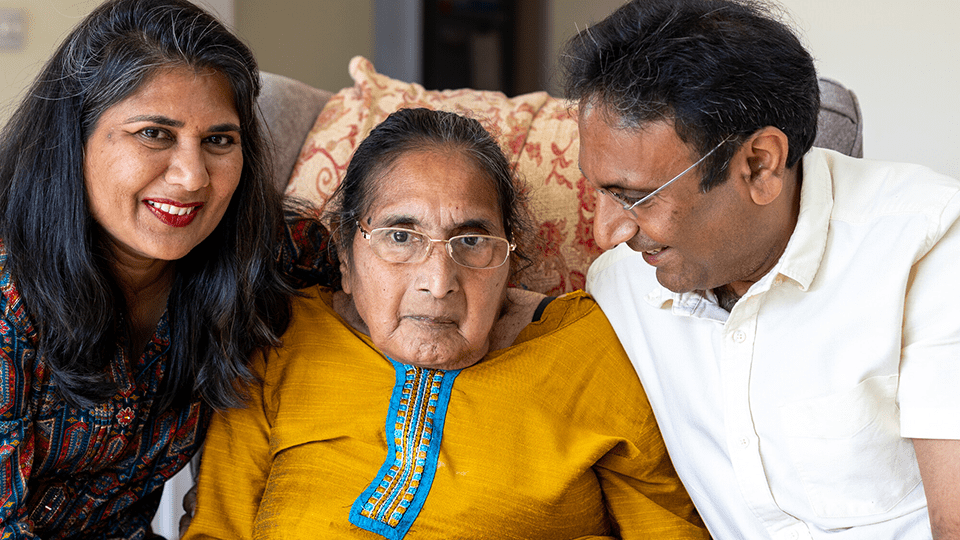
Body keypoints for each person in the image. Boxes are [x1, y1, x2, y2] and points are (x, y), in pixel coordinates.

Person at [183, 108, 708, 540]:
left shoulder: (588, 345)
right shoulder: (281, 338)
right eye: (399, 236)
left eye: (472, 240)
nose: (439, 281)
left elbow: (668, 528)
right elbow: (216, 528)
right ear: (345, 255)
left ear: (510, 260)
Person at [560, 0, 960, 538]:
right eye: (600, 192)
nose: (608, 233)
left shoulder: (930, 243)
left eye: (635, 196)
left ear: (759, 164)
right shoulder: (623, 283)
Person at [0, 0, 333, 537]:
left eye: (218, 140)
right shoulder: (9, 292)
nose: (192, 177)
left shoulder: (265, 254)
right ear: (74, 138)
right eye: (154, 133)